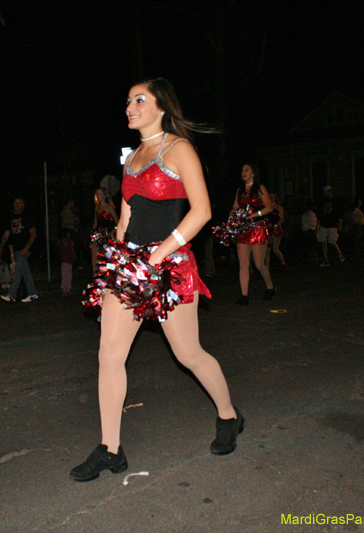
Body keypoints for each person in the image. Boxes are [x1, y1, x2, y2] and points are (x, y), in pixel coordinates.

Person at [70, 78, 242, 483]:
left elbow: (201, 211)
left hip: (171, 265)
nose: (129, 106)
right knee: (108, 355)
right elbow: (127, 218)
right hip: (131, 266)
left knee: (188, 354)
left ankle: (229, 416)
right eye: (128, 100)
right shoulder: (131, 159)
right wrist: (115, 260)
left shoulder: (179, 149)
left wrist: (158, 255)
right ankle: (110, 448)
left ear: (161, 106)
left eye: (139, 99)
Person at [233, 163, 276, 305]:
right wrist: (229, 223)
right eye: (242, 170)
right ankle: (244, 295)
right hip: (243, 230)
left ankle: (270, 287)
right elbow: (235, 208)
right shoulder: (240, 191)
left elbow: (269, 207)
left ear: (253, 173)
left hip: (258, 228)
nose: (243, 172)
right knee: (243, 263)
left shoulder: (260, 188)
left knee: (258, 263)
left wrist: (254, 214)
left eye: (247, 170)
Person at [0, 197, 38, 303]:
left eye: (19, 203)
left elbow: (33, 233)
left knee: (17, 272)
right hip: (16, 249)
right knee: (25, 272)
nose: (16, 204)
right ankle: (33, 293)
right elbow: (8, 236)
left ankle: (11, 294)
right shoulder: (11, 218)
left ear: (23, 205)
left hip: (24, 249)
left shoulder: (27, 217)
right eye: (15, 202)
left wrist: (26, 248)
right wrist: (1, 248)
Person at [90, 188, 118, 273]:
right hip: (97, 235)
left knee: (105, 258)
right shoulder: (97, 208)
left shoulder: (109, 207)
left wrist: (111, 233)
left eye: (100, 194)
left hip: (107, 236)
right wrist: (92, 236)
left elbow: (118, 223)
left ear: (104, 196)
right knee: (94, 258)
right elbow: (95, 223)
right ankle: (95, 277)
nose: (98, 196)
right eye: (97, 194)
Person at [317, 185, 344, 266]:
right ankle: (326, 259)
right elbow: (320, 214)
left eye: (327, 191)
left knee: (332, 241)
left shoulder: (336, 201)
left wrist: (340, 223)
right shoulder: (322, 201)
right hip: (324, 223)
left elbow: (339, 213)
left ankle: (339, 253)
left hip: (332, 224)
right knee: (323, 241)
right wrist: (318, 225)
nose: (326, 193)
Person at [265, 193, 287, 270]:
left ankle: (283, 263)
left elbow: (282, 219)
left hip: (276, 229)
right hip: (268, 228)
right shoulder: (267, 207)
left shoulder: (279, 207)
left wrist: (275, 226)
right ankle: (267, 268)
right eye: (270, 197)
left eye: (273, 197)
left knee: (275, 249)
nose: (271, 198)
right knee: (267, 249)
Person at [60, 230, 75, 295]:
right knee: (66, 274)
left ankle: (67, 288)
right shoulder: (65, 242)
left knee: (68, 275)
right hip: (66, 260)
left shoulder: (66, 242)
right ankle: (65, 288)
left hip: (67, 260)